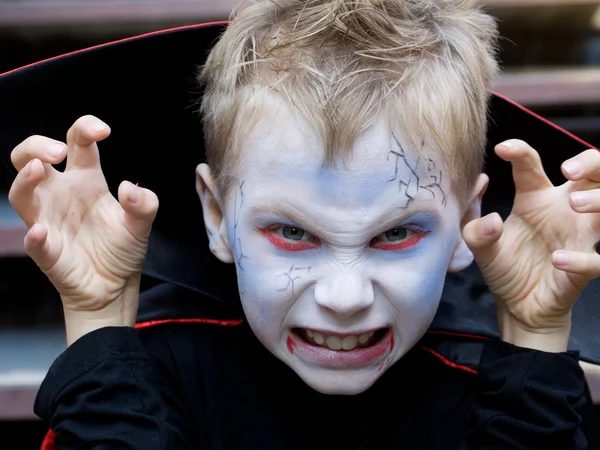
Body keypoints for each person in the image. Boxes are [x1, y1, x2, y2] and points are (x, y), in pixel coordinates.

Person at [4, 0, 600, 448]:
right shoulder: (158, 365)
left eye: (395, 234)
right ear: (216, 214)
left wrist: (533, 335)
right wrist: (99, 319)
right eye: (292, 233)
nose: (345, 298)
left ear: (469, 218)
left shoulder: (497, 385)